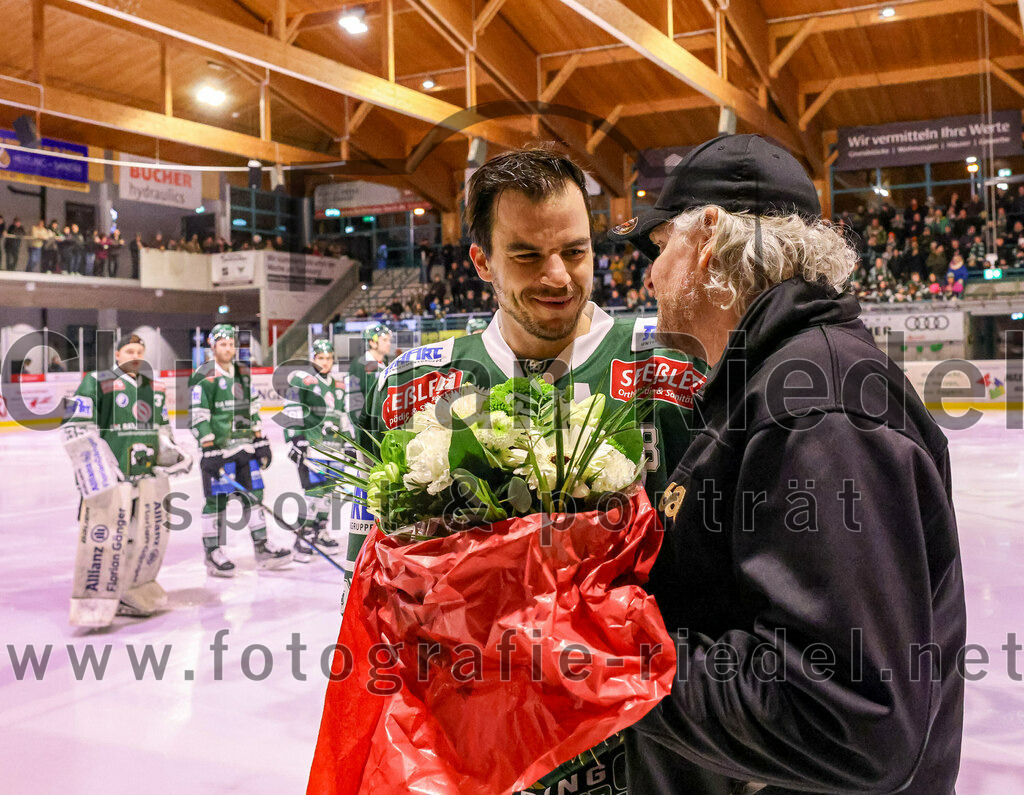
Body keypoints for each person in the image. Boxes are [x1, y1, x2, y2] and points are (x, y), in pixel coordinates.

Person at [609, 133, 966, 793]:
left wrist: (603, 667)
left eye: (660, 250)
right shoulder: (782, 382)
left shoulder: (815, 400)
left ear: (709, 235)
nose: (650, 276)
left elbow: (847, 716)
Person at [357, 147, 706, 794]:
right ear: (481, 261)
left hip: (644, 751)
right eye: (526, 255)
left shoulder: (675, 372)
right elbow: (381, 590)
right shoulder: (410, 389)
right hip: (475, 758)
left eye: (575, 251)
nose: (557, 276)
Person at [62, 334, 193, 627]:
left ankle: (129, 591)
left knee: (140, 536)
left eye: (140, 351)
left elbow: (161, 430)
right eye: (129, 350)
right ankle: (97, 599)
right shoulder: (96, 382)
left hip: (144, 481)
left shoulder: (153, 389)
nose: (135, 355)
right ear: (118, 354)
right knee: (106, 538)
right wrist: (99, 470)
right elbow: (78, 426)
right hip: (110, 483)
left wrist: (174, 454)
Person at [189, 323, 291, 576]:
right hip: (219, 451)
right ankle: (212, 552)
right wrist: (208, 446)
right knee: (216, 502)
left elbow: (253, 406)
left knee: (255, 496)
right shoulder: (205, 375)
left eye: (232, 344)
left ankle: (262, 546)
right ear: (212, 347)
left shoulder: (242, 373)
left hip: (244, 447)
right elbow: (198, 415)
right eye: (223, 344)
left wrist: (259, 439)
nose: (228, 348)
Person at [338, 323, 393, 591]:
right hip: (369, 446)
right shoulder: (359, 365)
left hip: (388, 443)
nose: (388, 341)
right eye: (383, 338)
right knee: (366, 493)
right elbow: (354, 406)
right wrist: (361, 442)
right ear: (371, 341)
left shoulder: (390, 364)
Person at [282, 338, 346, 562]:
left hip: (334, 448)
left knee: (329, 492)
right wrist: (296, 438)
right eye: (320, 358)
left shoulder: (339, 385)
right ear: (313, 359)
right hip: (312, 446)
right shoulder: (302, 380)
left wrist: (347, 441)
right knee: (313, 493)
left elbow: (342, 415)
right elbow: (292, 407)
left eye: (329, 358)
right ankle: (303, 537)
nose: (325, 362)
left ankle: (320, 530)